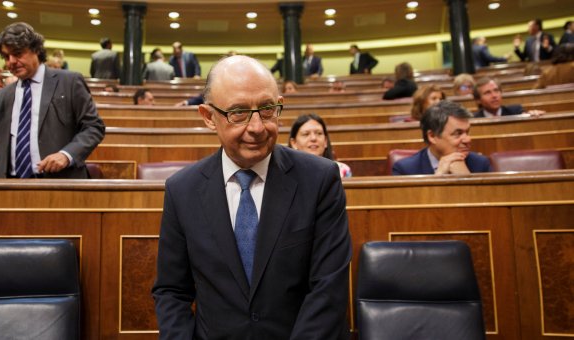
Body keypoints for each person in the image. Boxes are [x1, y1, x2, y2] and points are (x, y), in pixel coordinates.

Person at [152, 55, 352, 339]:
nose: (257, 127)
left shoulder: (320, 179)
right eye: (238, 112)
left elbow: (328, 289)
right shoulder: (182, 190)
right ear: (209, 117)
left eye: (268, 109)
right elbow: (172, 291)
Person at [0, 22, 105, 179]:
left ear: (36, 50)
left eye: (18, 53)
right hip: (9, 186)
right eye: (7, 56)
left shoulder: (69, 82)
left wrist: (66, 155)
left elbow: (94, 127)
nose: (11, 62)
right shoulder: (2, 95)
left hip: (59, 183)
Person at [393, 100, 491, 175]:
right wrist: (438, 179)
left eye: (467, 132)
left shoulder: (481, 164)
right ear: (432, 136)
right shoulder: (405, 169)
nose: (468, 139)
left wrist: (466, 179)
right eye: (458, 133)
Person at [288, 113, 352, 178]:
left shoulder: (341, 171)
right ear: (294, 143)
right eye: (306, 134)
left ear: (325, 141)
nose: (313, 138)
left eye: (319, 133)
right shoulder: (286, 172)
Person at [472, 77, 544, 118]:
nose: (494, 96)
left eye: (496, 91)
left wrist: (533, 115)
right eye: (487, 93)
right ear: (478, 100)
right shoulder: (474, 119)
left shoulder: (516, 111)